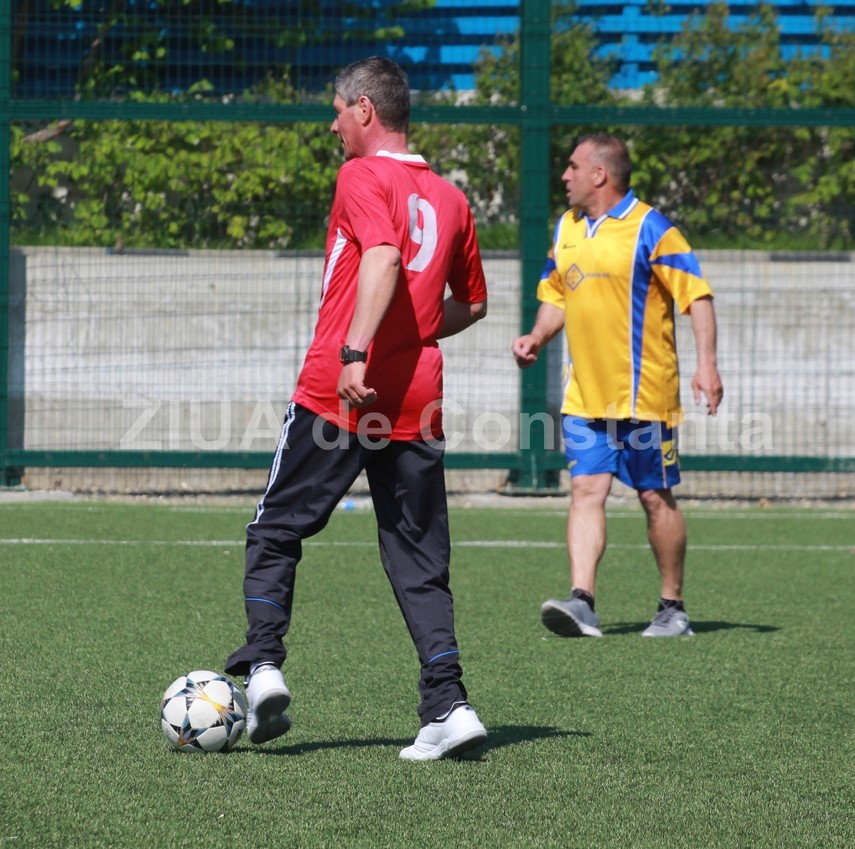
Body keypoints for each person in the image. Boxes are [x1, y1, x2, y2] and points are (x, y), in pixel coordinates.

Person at [224, 57, 489, 761]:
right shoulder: (452, 197)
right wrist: (413, 335)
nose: (333, 122)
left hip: (341, 392)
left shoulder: (362, 176)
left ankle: (263, 664)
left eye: (338, 110)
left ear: (366, 111)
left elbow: (381, 256)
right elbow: (472, 303)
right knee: (417, 557)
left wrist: (355, 351)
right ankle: (448, 703)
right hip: (416, 397)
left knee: (274, 529)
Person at [512, 132, 723, 638]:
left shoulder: (652, 228)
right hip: (583, 395)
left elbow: (697, 297)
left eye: (572, 167)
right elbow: (556, 294)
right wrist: (537, 335)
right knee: (586, 489)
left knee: (655, 497)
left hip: (645, 394)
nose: (564, 176)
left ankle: (672, 608)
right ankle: (582, 601)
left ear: (600, 175)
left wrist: (708, 365)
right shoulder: (566, 227)